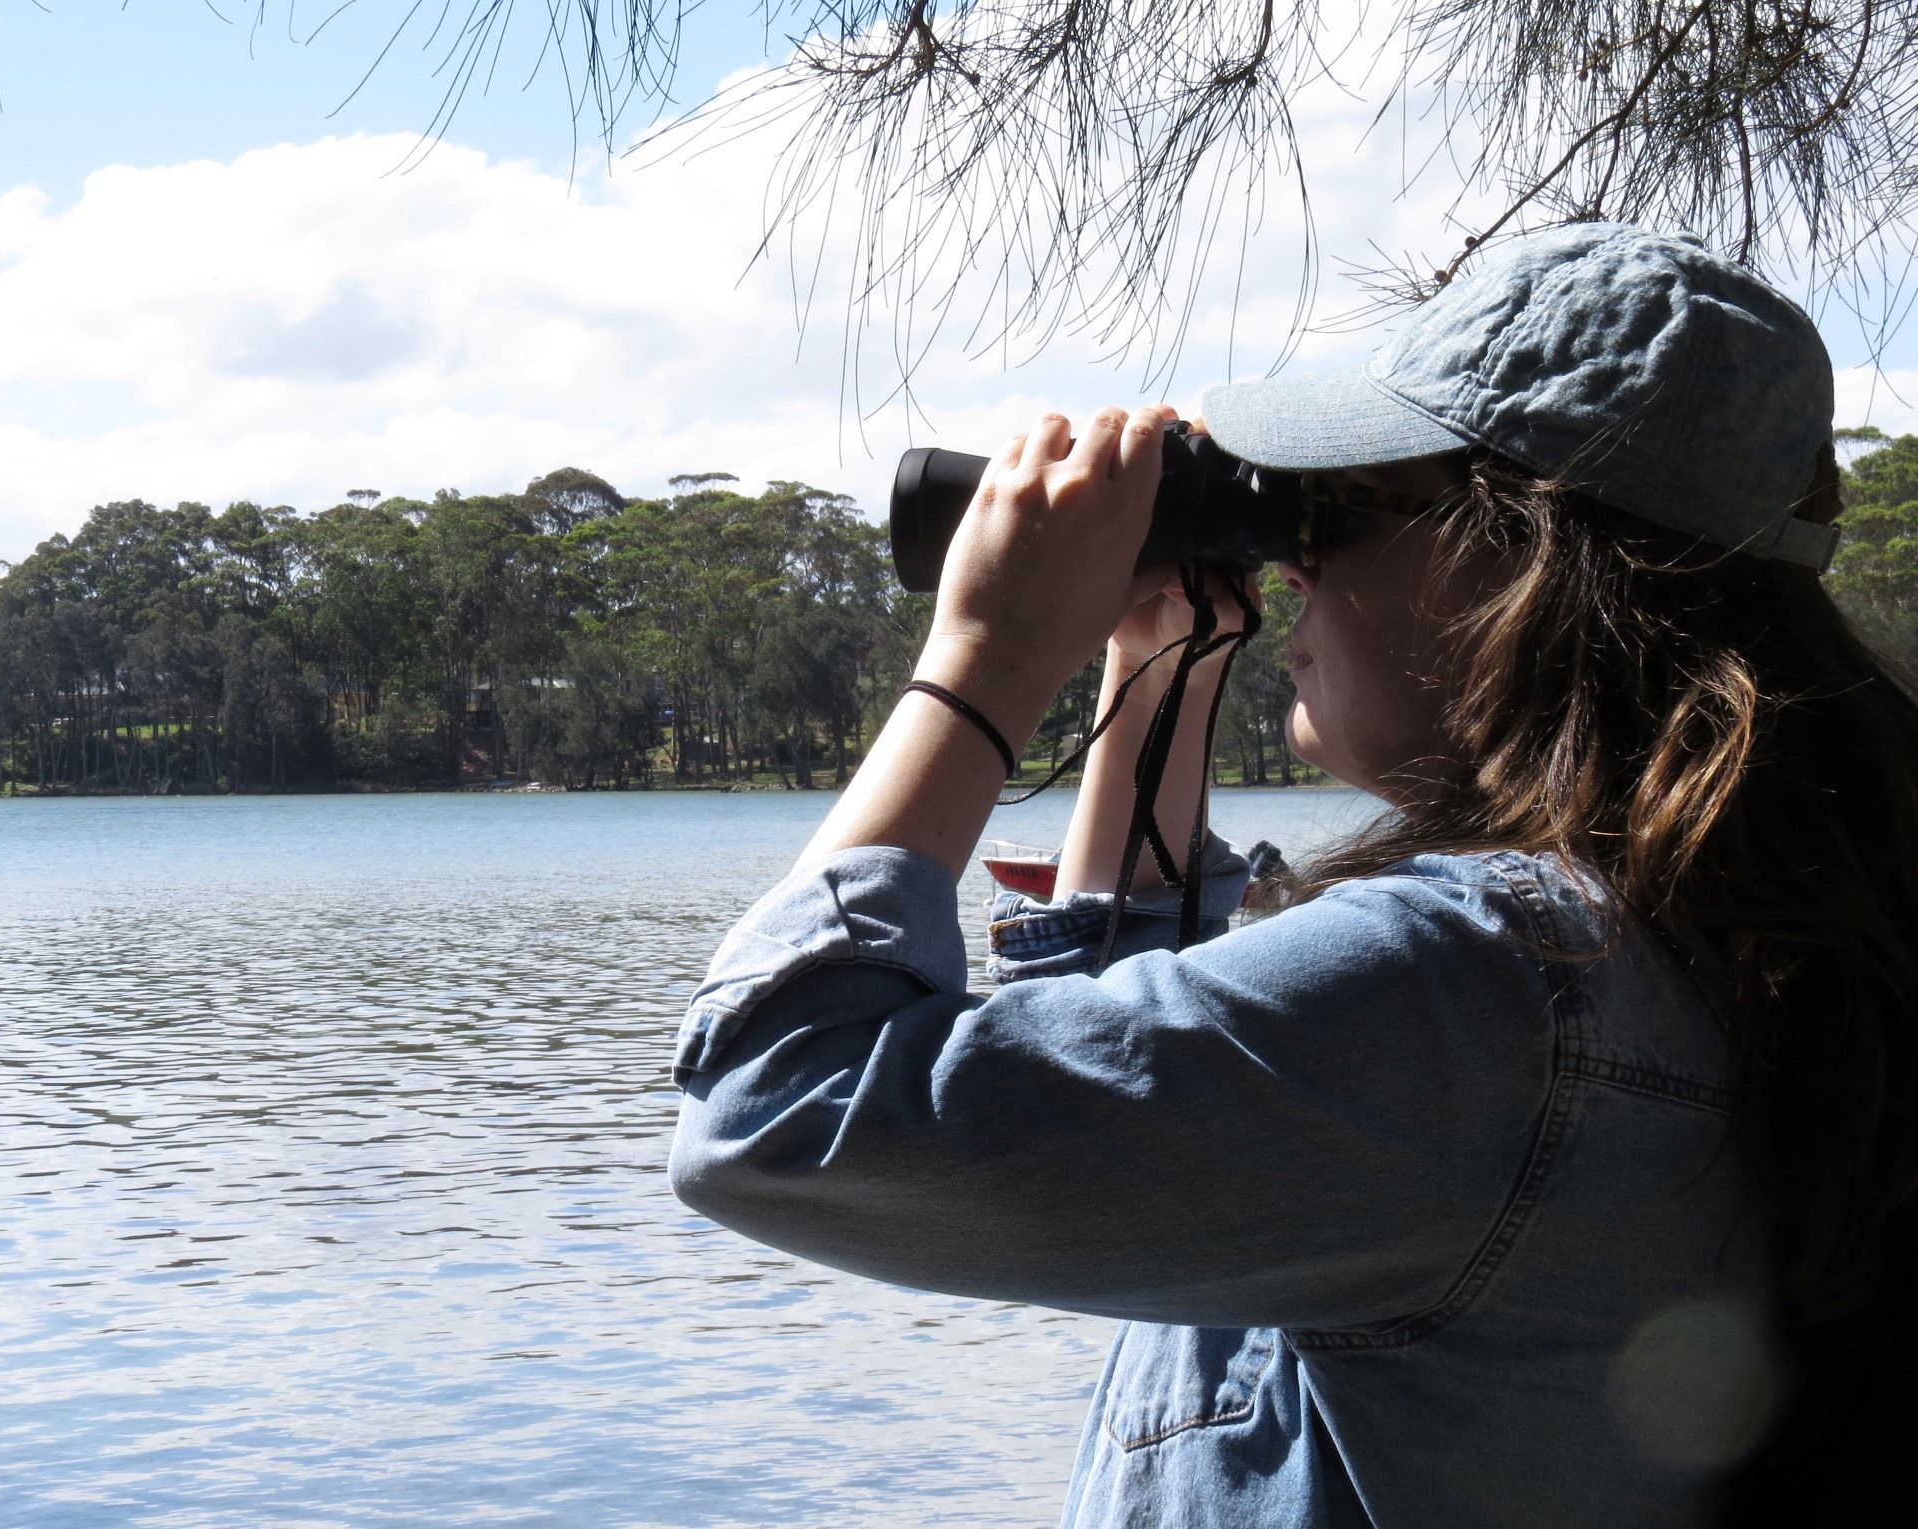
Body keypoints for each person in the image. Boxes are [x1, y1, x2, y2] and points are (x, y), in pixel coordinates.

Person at [666, 225, 1918, 1525]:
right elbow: (1139, 1090)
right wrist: (1160, 675)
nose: (1295, 561)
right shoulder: (1723, 942)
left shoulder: (1488, 987)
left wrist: (982, 660)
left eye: (1346, 507)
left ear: (1523, 561)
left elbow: (773, 1105)